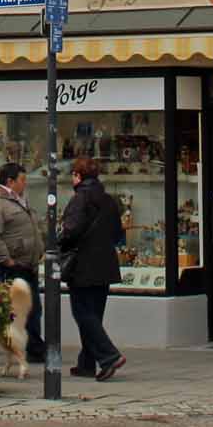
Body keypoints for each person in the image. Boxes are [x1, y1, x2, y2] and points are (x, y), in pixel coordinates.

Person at [58, 155, 125, 381]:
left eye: (73, 174)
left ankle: (109, 356)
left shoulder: (80, 199)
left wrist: (60, 243)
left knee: (83, 313)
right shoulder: (108, 199)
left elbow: (71, 231)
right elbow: (118, 233)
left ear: (78, 176)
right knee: (94, 314)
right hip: (105, 265)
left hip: (83, 265)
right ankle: (86, 363)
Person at [0, 162, 46, 363]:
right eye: (22, 180)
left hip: (26, 266)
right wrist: (6, 260)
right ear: (10, 181)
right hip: (5, 268)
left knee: (33, 309)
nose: (25, 184)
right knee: (2, 311)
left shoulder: (21, 200)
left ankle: (35, 347)